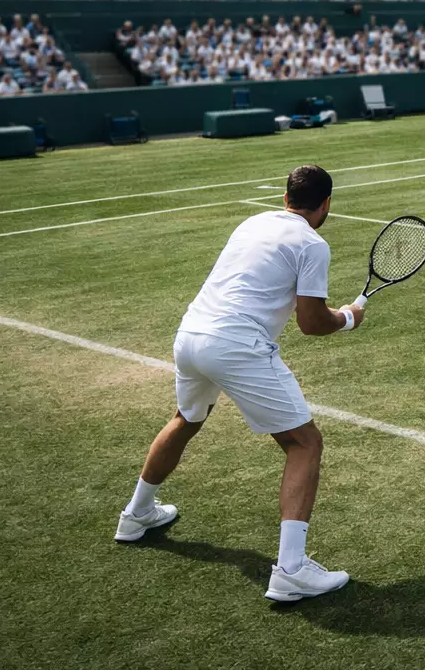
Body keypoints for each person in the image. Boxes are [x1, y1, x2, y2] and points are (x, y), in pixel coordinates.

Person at [114, 165, 363, 603]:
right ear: (325, 205)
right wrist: (347, 319)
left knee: (187, 418)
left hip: (190, 335)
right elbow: (311, 323)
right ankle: (291, 571)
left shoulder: (252, 222)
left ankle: (136, 515)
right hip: (236, 345)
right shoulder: (313, 243)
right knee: (305, 444)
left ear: (286, 197)